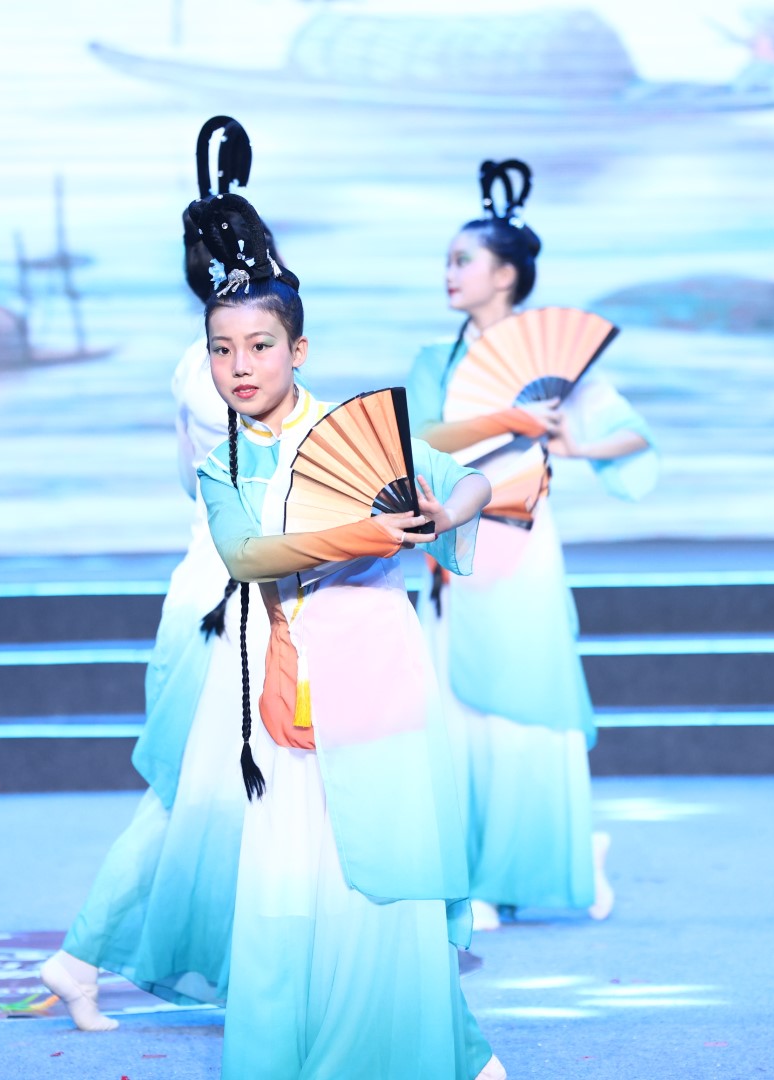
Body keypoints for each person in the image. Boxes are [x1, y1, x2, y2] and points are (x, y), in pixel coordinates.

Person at [193, 191, 503, 1079]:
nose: (240, 366)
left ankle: (423, 1050)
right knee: (297, 878)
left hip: (378, 665)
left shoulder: (360, 432)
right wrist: (367, 534)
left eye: (260, 346)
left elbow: (473, 480)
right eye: (221, 349)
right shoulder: (222, 464)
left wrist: (447, 511)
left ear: (298, 350)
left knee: (386, 863)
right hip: (293, 674)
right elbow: (246, 555)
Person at [40, 117, 273, 1029]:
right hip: (238, 589)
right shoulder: (244, 368)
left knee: (214, 793)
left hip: (212, 574)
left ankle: (110, 959)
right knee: (201, 796)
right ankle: (86, 955)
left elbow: (190, 480)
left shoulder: (198, 361)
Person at [407, 160, 655, 930]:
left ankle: (546, 860)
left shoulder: (551, 359)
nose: (450, 273)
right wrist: (507, 423)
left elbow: (633, 435)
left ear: (506, 274)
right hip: (456, 540)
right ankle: (471, 875)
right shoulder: (436, 360)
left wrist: (574, 444)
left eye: (464, 260)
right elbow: (422, 439)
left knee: (522, 705)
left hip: (523, 541)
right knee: (455, 708)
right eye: (447, 261)